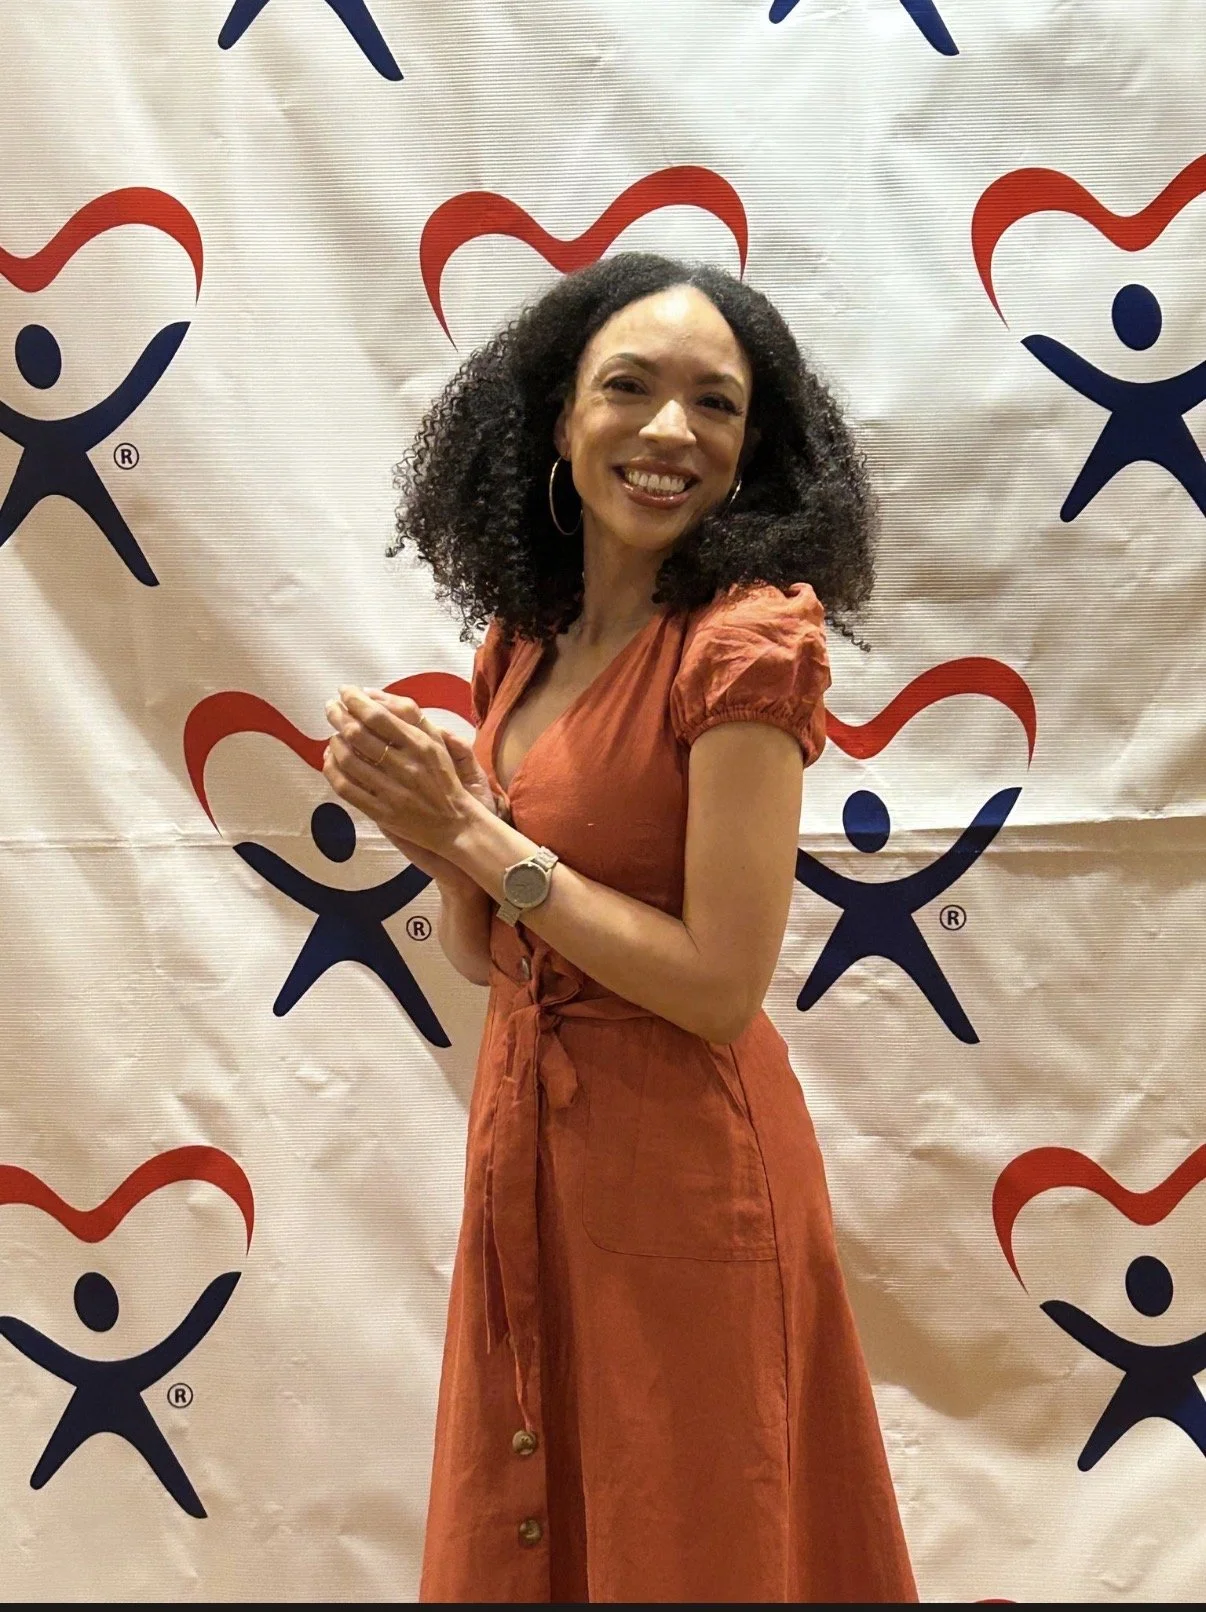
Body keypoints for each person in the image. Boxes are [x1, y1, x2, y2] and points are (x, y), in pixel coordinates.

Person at [321, 252, 917, 1602]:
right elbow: (495, 958)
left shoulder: (744, 640)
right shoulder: (519, 647)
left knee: (686, 1526)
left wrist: (483, 836)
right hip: (528, 1139)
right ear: (555, 419)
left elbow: (717, 984)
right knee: (539, 1508)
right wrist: (436, 837)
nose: (668, 432)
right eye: (629, 389)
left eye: (715, 404)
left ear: (755, 448)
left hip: (684, 1174)